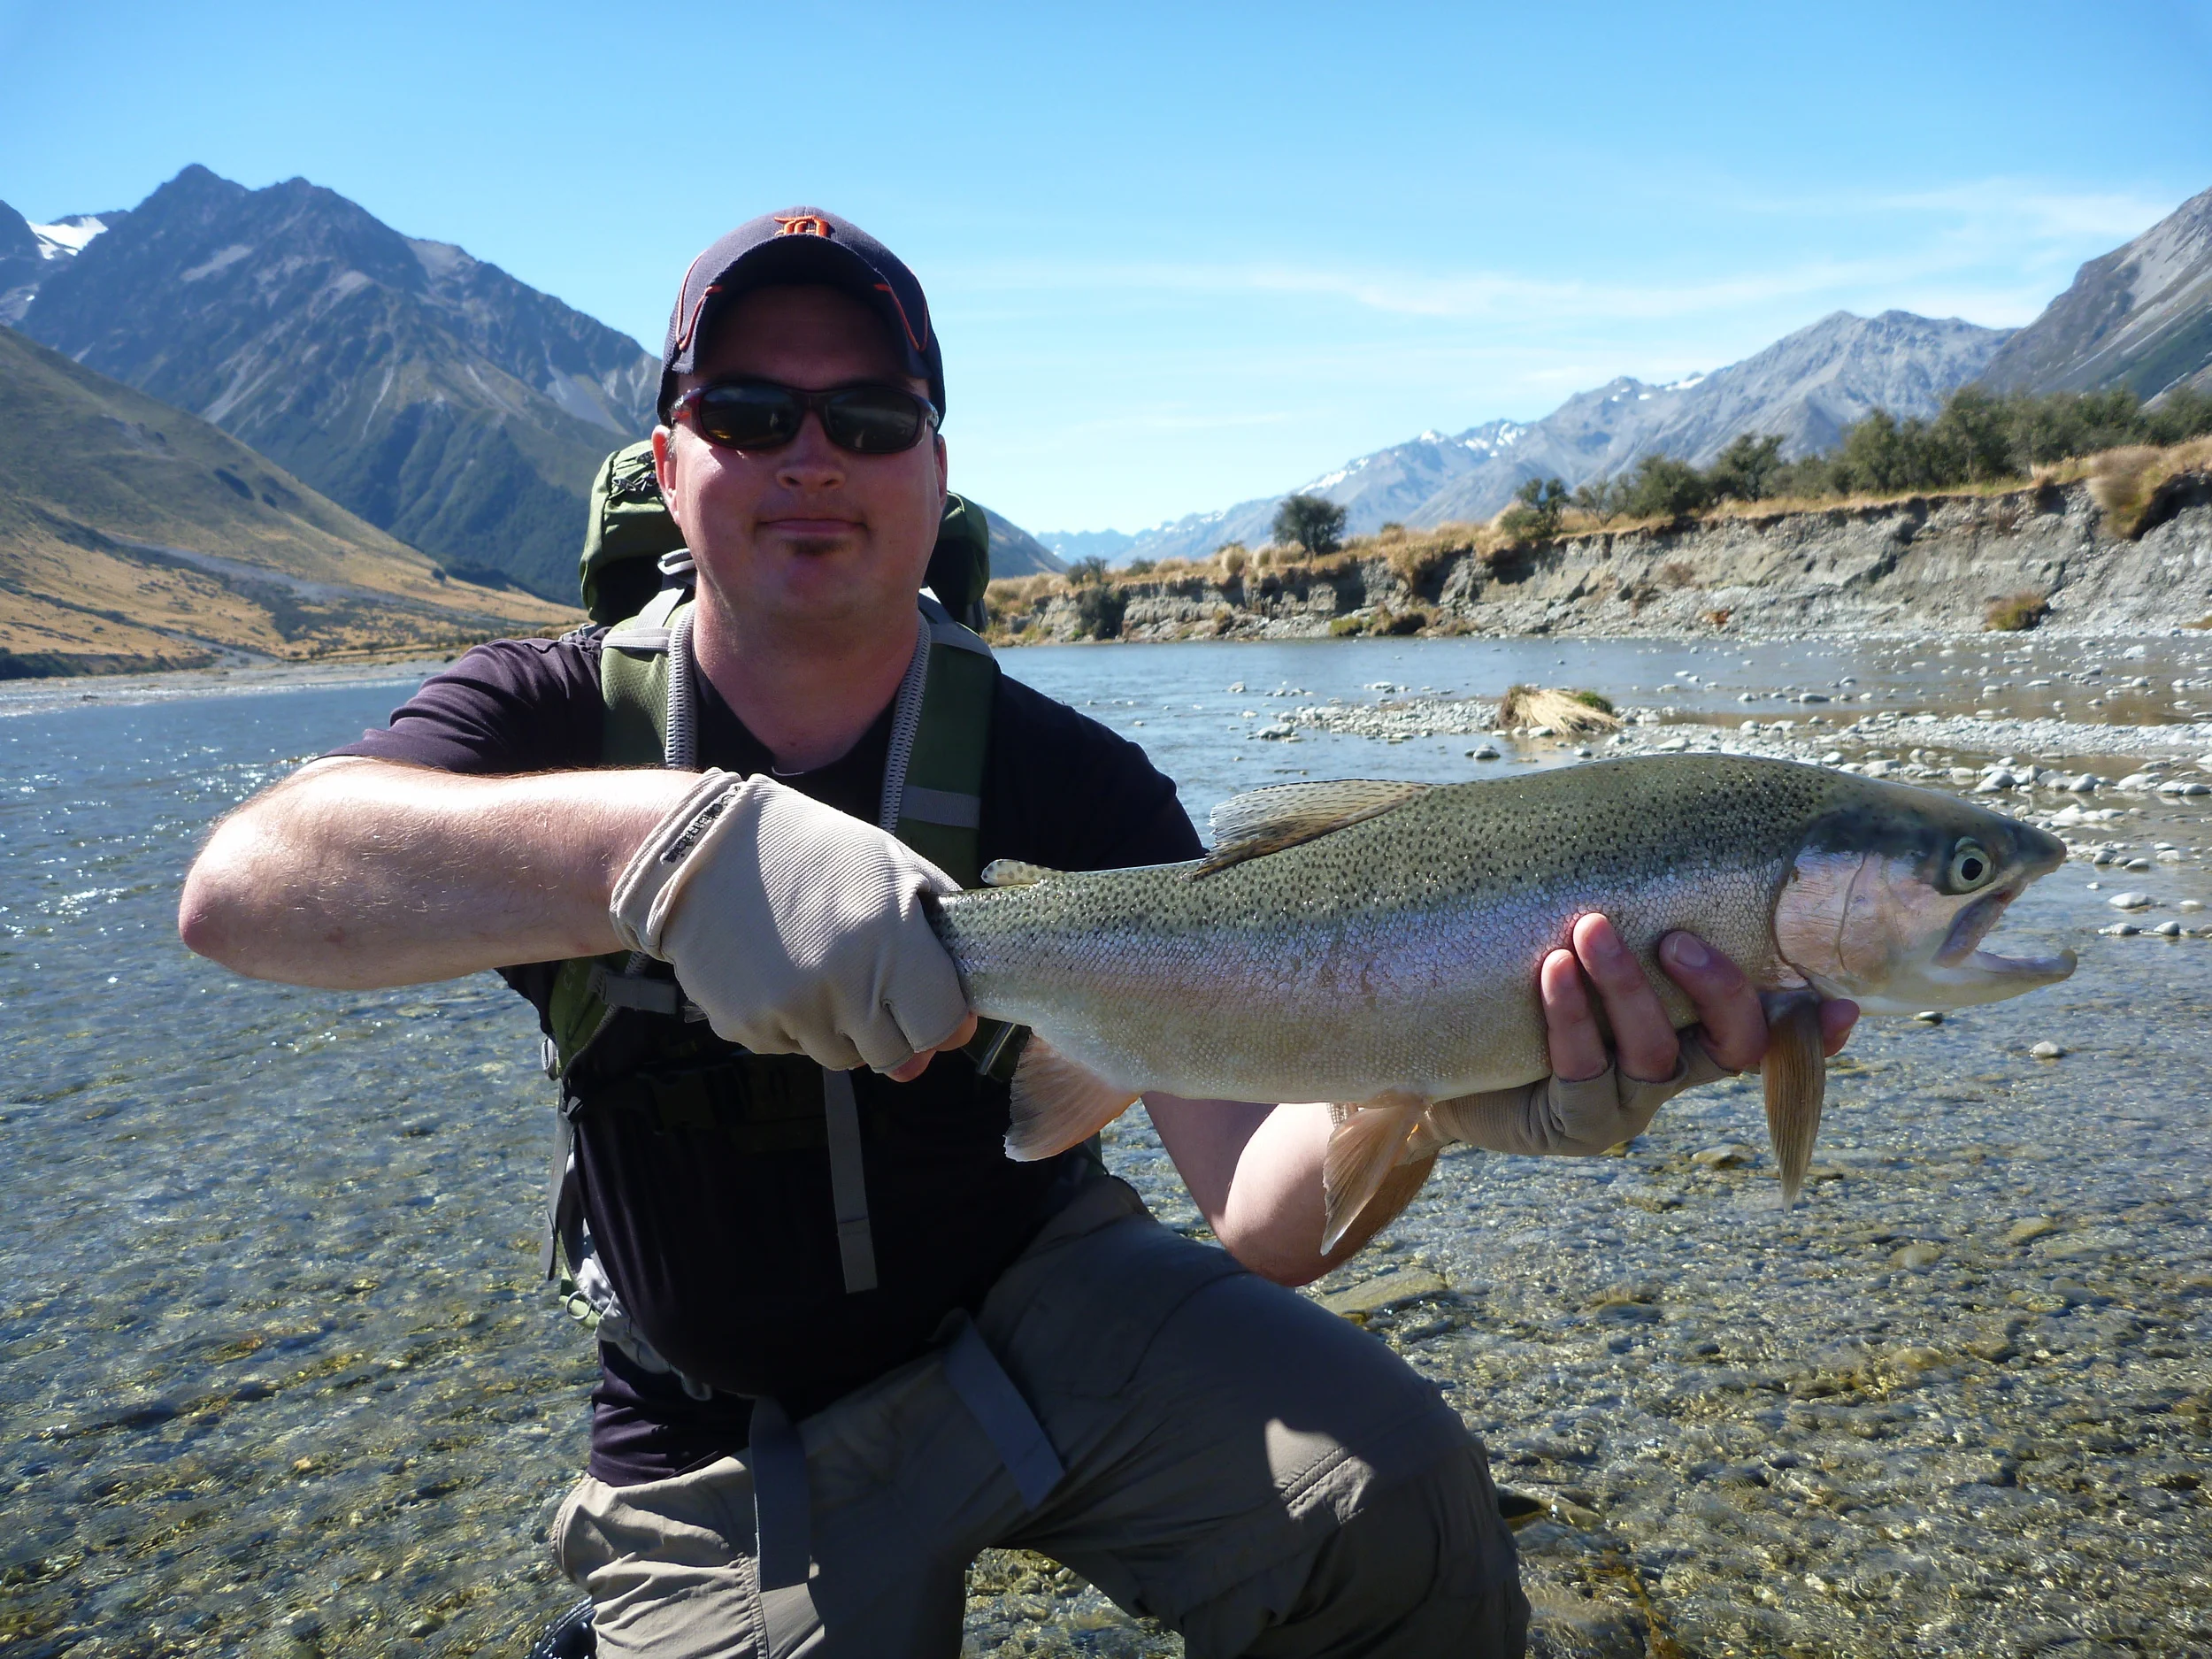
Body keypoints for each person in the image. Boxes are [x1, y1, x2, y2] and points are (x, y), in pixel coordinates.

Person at [179, 207, 1856, 1659]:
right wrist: (664, 847)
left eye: (871, 414)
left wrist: (1427, 1079)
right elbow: (247, 886)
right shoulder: (546, 715)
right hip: (713, 1419)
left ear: (939, 465)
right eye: (751, 411)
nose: (812, 455)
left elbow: (1262, 1212)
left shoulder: (1071, 774)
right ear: (670, 459)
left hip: (1046, 1312)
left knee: (1397, 1497)